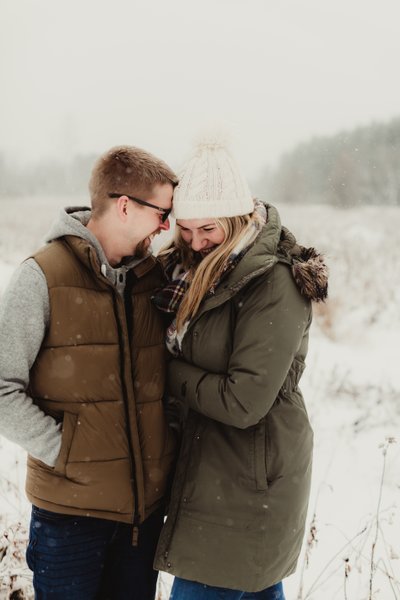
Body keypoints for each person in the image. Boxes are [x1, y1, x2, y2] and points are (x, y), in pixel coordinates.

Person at [0, 145, 179, 599]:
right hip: (69, 521)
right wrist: (65, 451)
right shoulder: (41, 276)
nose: (167, 227)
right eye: (162, 213)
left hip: (140, 523)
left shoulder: (156, 282)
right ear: (124, 206)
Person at [152, 141, 328, 599]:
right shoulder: (191, 271)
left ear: (236, 218)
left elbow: (243, 400)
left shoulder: (274, 280)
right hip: (214, 468)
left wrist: (163, 372)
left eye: (207, 228)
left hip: (251, 477)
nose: (195, 242)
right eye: (185, 229)